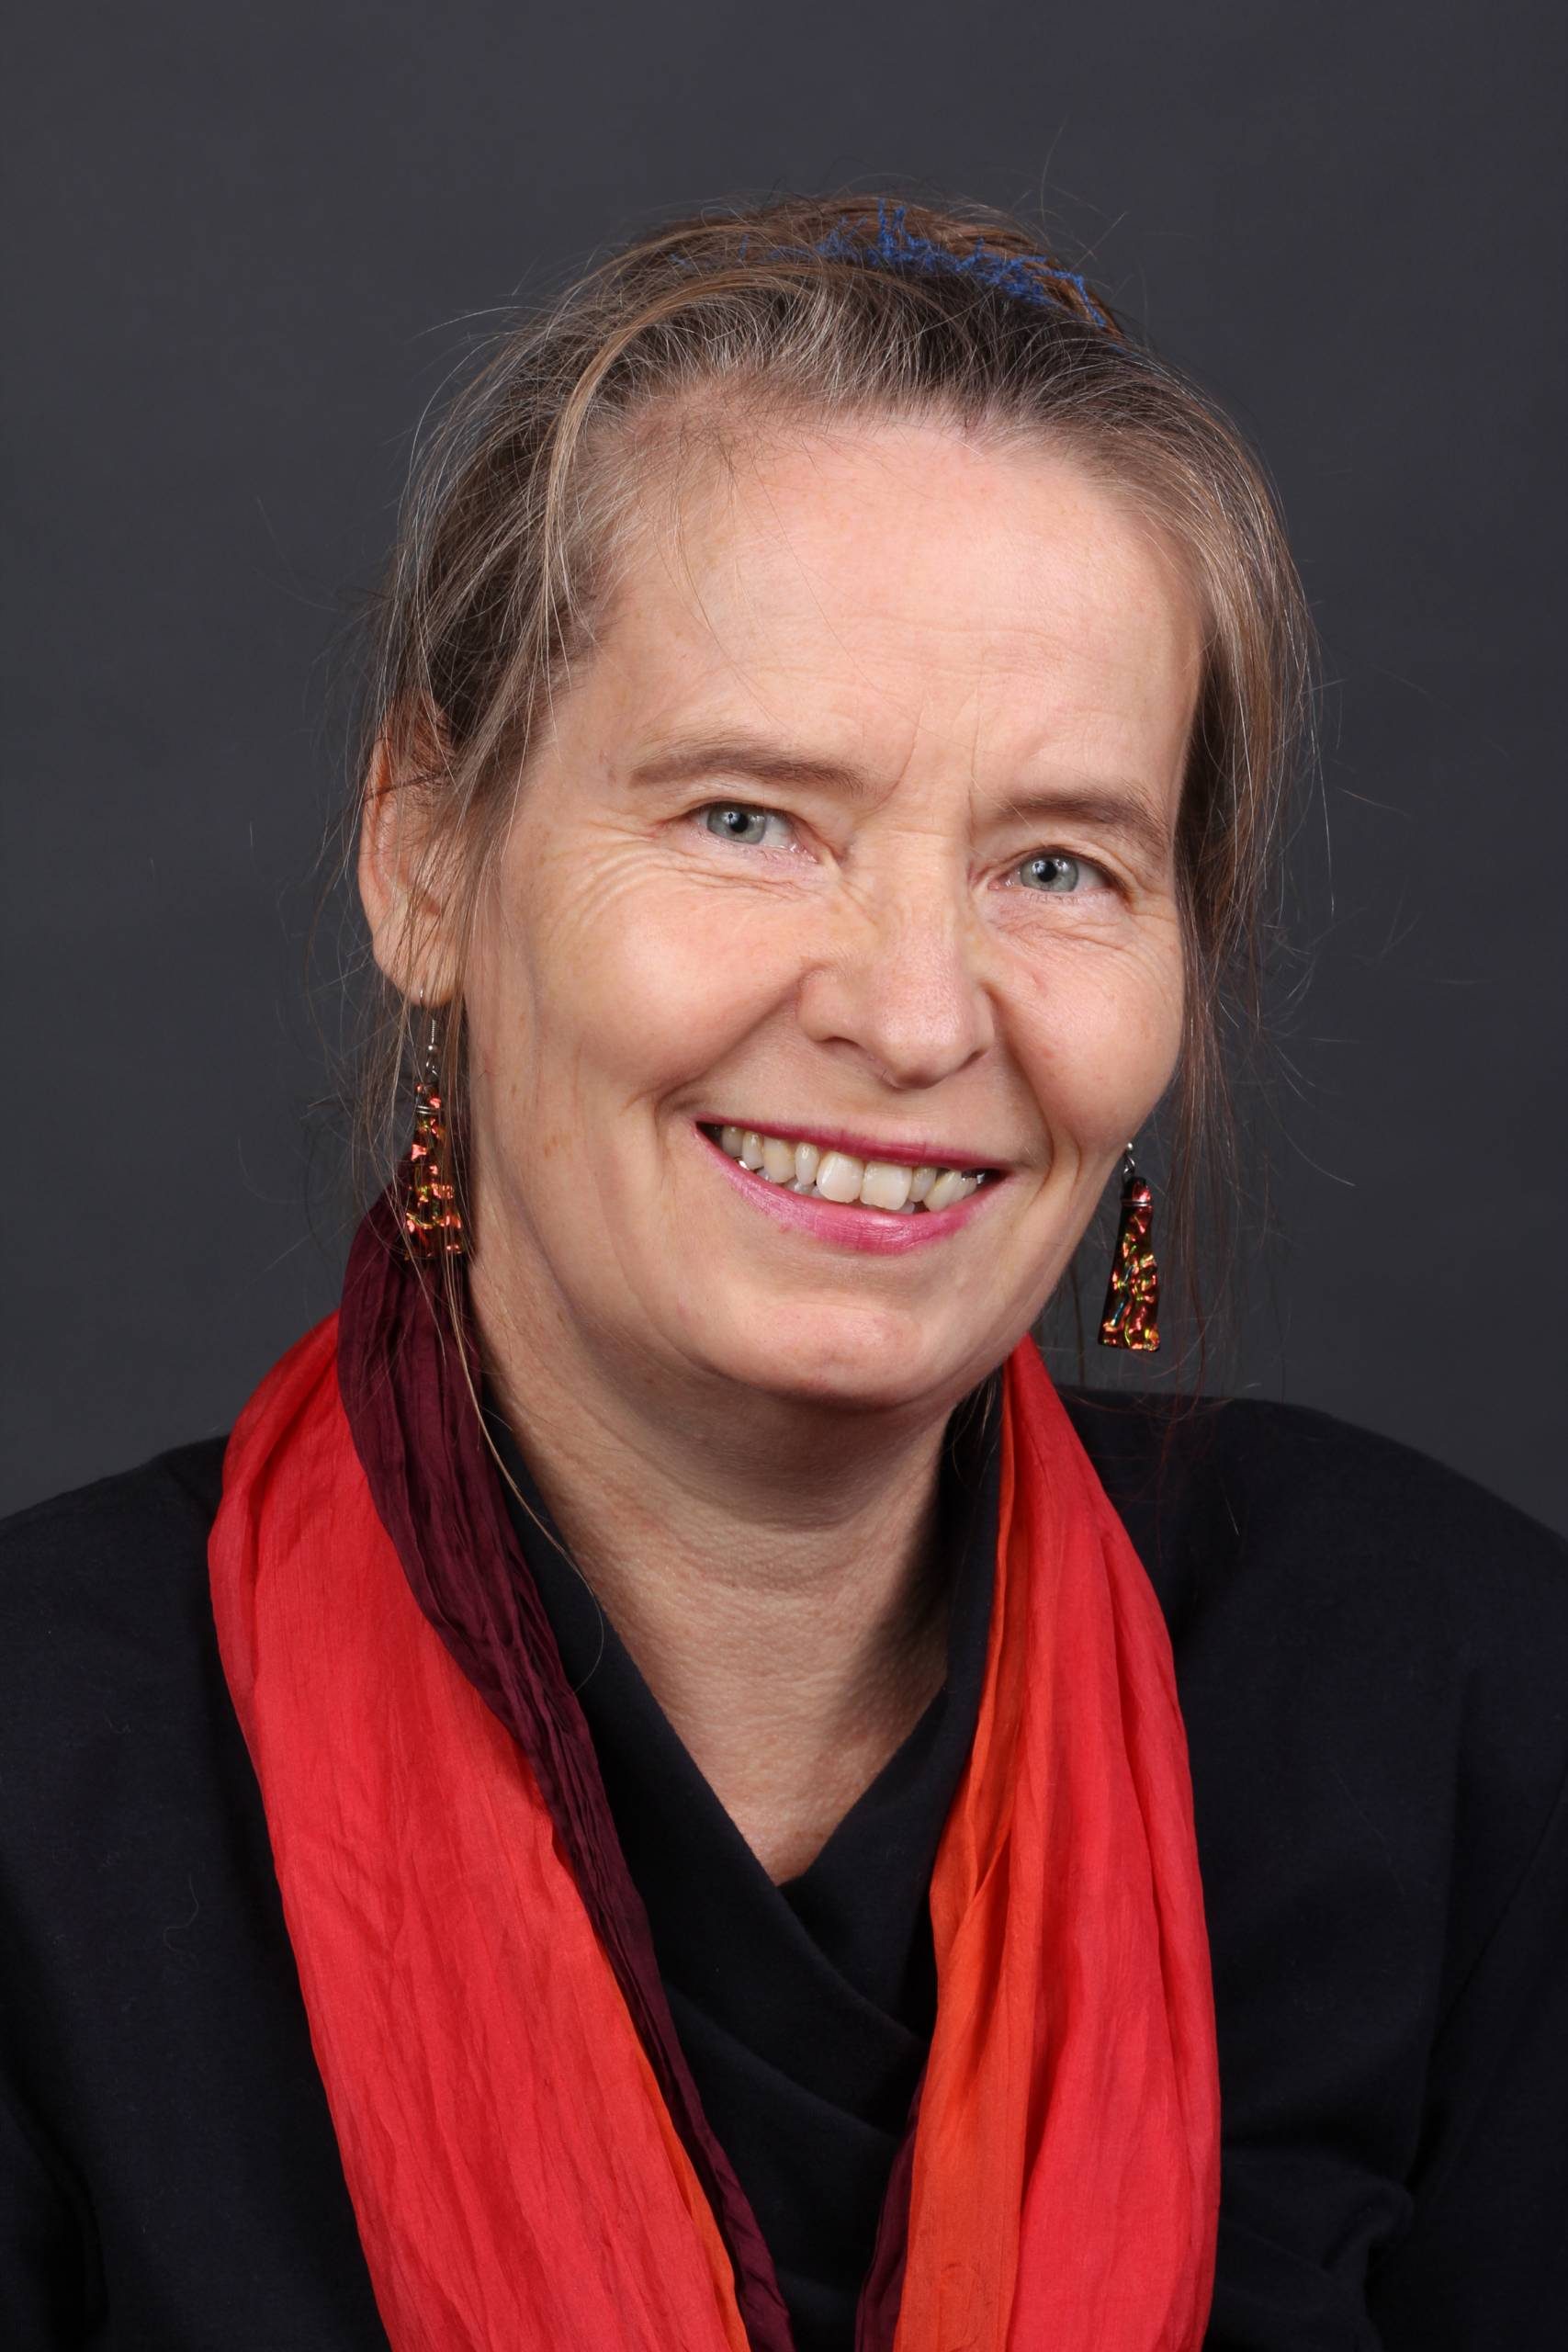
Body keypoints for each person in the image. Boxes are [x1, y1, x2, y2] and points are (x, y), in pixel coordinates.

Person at [1, 191, 1563, 2352]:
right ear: (421, 853)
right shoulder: (39, 1779)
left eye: (1053, 861)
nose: (917, 1013)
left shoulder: (1470, 1704)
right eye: (751, 816)